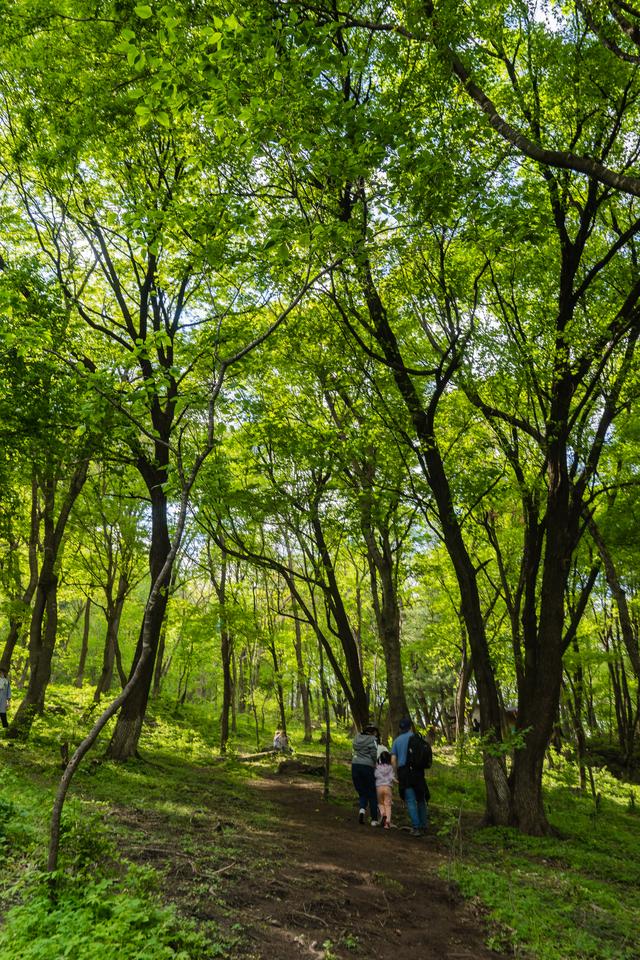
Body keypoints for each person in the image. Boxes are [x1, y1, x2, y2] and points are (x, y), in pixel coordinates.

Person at [391, 717, 429, 837]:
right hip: (418, 773)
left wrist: (395, 774)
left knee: (411, 801)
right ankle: (424, 825)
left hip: (404, 773)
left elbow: (393, 760)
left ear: (400, 728)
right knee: (421, 799)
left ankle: (416, 828)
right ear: (410, 727)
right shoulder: (417, 738)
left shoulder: (397, 741)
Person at [351, 724, 379, 826]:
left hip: (355, 765)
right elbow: (374, 754)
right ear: (372, 732)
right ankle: (374, 819)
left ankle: (362, 810)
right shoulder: (373, 740)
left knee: (362, 791)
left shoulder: (357, 737)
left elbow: (354, 747)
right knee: (372, 792)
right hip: (367, 767)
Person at [375, 749, 394, 829]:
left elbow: (376, 775)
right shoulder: (390, 767)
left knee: (380, 803)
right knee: (388, 805)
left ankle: (383, 814)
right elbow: (391, 777)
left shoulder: (378, 767)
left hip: (379, 787)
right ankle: (387, 823)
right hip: (388, 787)